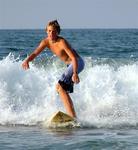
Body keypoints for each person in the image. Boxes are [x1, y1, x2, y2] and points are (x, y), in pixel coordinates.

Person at [22, 20, 84, 118]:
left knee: (59, 87)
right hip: (70, 66)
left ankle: (72, 116)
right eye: (49, 31)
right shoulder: (45, 42)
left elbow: (73, 58)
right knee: (62, 89)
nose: (51, 33)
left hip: (77, 63)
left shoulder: (62, 42)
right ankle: (73, 116)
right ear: (46, 31)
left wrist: (75, 73)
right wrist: (27, 60)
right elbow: (35, 53)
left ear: (58, 32)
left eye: (54, 31)